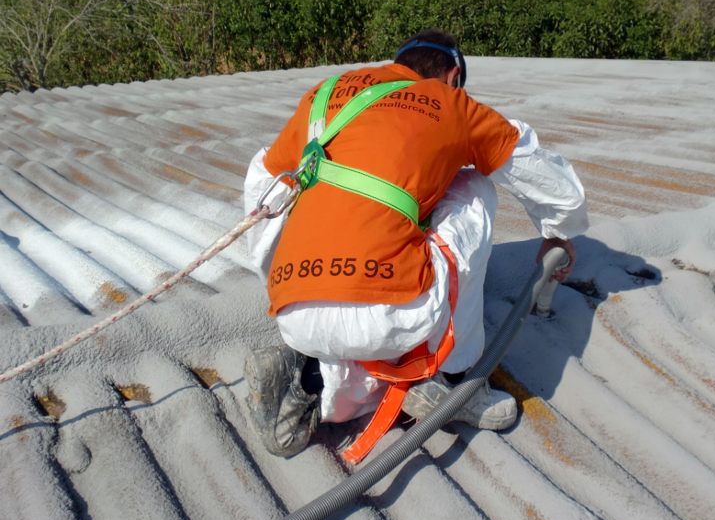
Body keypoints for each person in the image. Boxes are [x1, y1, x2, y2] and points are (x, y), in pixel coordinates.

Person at [242, 29, 588, 458]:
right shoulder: (451, 104)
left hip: (294, 312)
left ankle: (310, 381)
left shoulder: (324, 94)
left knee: (354, 332)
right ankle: (453, 378)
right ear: (453, 74)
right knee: (474, 182)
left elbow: (262, 184)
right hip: (388, 311)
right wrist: (558, 233)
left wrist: (285, 281)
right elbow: (553, 186)